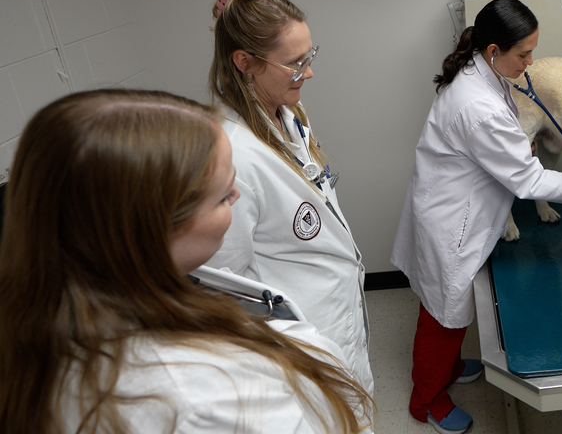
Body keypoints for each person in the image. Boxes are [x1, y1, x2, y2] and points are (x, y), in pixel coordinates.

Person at [0, 89, 374, 434]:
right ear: (149, 227)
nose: (238, 194)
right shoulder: (211, 397)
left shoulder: (39, 322)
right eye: (224, 195)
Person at [392, 0, 562, 434]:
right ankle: (425, 401)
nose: (530, 61)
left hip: (453, 204)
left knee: (448, 308)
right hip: (451, 222)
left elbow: (500, 148)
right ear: (493, 50)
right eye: (523, 53)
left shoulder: (480, 73)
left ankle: (446, 370)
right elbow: (529, 183)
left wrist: (516, 149)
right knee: (442, 315)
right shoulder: (475, 103)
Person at [206, 0, 373, 396]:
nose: (310, 72)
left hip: (335, 317)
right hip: (299, 340)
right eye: (296, 62)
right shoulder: (233, 157)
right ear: (245, 62)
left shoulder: (288, 114)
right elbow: (227, 281)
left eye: (310, 56)